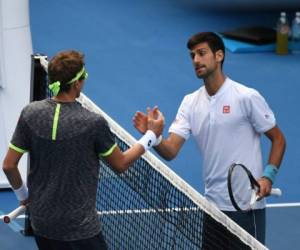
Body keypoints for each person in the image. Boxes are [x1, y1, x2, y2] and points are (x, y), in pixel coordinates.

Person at [133, 32, 286, 244]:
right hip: (213, 208)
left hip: (246, 207)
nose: (196, 60)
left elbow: (278, 139)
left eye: (202, 53)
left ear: (219, 55)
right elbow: (171, 151)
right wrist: (154, 136)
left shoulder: (246, 97)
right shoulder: (190, 103)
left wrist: (267, 177)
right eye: (192, 55)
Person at [2, 50, 164, 250]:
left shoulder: (30, 113)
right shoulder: (92, 123)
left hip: (42, 225)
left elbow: (9, 166)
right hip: (80, 230)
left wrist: (24, 196)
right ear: (77, 83)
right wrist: (151, 136)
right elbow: (120, 164)